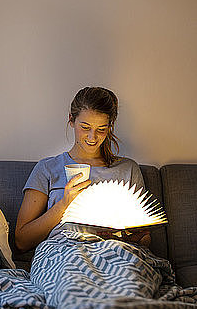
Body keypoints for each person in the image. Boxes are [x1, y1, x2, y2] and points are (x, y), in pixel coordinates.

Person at [15, 86, 151, 252]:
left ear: (110, 126)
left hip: (114, 252)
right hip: (64, 252)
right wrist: (64, 204)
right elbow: (22, 241)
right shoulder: (47, 168)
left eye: (101, 129)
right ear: (71, 120)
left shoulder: (128, 169)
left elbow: (145, 238)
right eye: (85, 127)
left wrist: (124, 236)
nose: (92, 137)